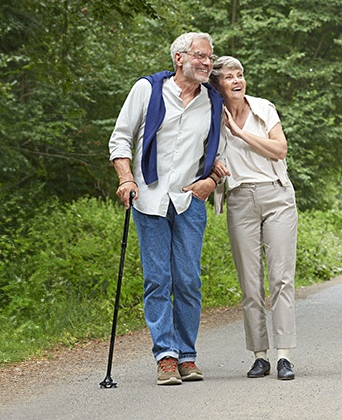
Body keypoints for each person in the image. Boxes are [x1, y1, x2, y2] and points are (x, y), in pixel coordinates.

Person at [108, 32, 223, 386]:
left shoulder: (212, 101)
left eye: (210, 58)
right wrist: (127, 178)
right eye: (201, 56)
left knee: (188, 280)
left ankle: (188, 355)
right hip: (149, 198)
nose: (207, 63)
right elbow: (121, 137)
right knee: (158, 280)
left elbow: (219, 151)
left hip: (189, 199)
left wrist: (211, 183)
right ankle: (166, 356)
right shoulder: (147, 90)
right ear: (179, 58)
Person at [209, 56, 299, 380]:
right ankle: (260, 355)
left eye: (241, 74)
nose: (237, 80)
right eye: (230, 76)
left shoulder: (264, 108)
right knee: (250, 282)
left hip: (276, 196)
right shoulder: (211, 118)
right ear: (218, 84)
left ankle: (284, 356)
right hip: (240, 200)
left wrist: (239, 132)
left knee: (281, 278)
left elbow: (280, 149)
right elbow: (206, 156)